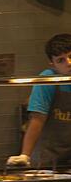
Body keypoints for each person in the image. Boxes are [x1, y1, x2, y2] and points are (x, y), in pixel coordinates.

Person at [8, 33, 71, 168]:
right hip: (47, 159)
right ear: (53, 65)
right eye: (61, 60)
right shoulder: (47, 80)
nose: (69, 63)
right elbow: (37, 119)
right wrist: (25, 155)